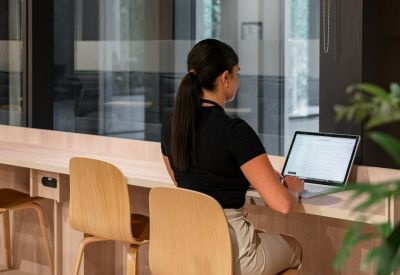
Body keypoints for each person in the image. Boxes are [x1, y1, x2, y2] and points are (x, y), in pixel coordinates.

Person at [160, 38, 303, 275]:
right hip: (230, 251)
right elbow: (283, 204)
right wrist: (294, 190)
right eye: (237, 73)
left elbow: (185, 182)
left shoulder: (171, 126)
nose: (238, 79)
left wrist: (242, 176)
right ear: (225, 78)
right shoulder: (234, 131)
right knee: (294, 248)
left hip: (187, 247)